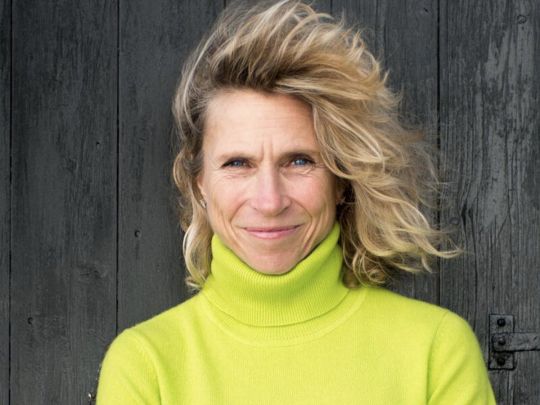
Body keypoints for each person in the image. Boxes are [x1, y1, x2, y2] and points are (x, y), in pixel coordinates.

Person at [96, 1, 496, 403]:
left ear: (341, 180)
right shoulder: (145, 365)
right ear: (199, 184)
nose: (270, 201)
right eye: (238, 163)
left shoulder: (435, 351)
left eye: (299, 161)